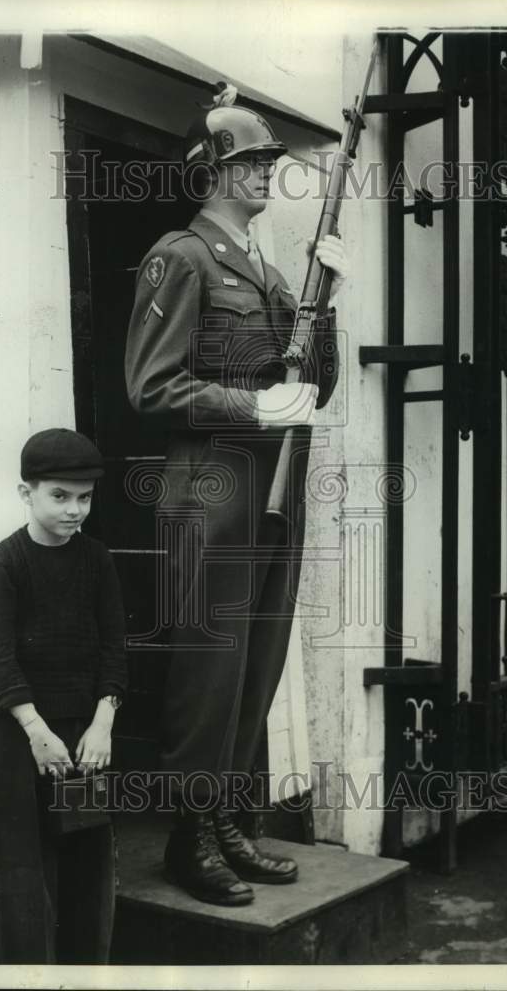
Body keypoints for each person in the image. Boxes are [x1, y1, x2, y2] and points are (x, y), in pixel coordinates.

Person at [124, 94, 350, 906]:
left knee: (256, 664)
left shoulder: (269, 271)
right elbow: (151, 385)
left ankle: (226, 824)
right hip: (206, 488)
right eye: (252, 162)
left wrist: (327, 307)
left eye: (266, 163)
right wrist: (250, 406)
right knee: (207, 669)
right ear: (211, 172)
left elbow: (314, 383)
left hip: (270, 490)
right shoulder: (179, 257)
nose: (266, 174)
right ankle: (190, 837)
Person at [0, 427, 127, 962]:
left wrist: (103, 722)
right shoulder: (6, 564)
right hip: (22, 738)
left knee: (88, 875)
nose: (74, 510)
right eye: (59, 496)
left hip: (84, 738)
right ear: (27, 493)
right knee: (22, 879)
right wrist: (36, 730)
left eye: (84, 498)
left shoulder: (96, 559)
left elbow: (114, 646)